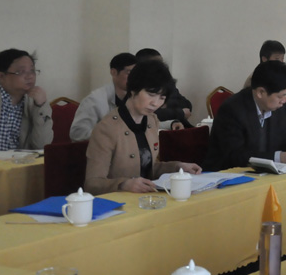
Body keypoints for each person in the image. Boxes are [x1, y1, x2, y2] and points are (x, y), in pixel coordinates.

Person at [84, 60, 201, 195]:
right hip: (119, 201)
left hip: (147, 198)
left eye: (162, 97)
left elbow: (147, 167)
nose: (155, 103)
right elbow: (92, 183)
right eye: (151, 94)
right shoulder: (107, 128)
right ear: (133, 90)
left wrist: (178, 167)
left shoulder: (151, 121)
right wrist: (124, 184)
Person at [204, 60, 286, 171]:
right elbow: (235, 155)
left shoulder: (277, 108)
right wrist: (277, 157)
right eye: (280, 96)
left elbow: (284, 138)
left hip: (262, 172)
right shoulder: (232, 110)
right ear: (260, 92)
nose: (284, 101)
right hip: (227, 173)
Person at [0, 49, 52, 152]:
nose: (30, 76)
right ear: (1, 76)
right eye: (21, 72)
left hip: (20, 161)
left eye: (32, 71)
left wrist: (40, 106)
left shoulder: (35, 101)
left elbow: (42, 146)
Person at [70, 52, 136, 142]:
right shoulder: (94, 100)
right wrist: (113, 134)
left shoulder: (136, 97)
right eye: (129, 73)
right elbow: (77, 134)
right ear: (113, 72)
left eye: (136, 74)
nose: (134, 78)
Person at [135, 48, 193, 130]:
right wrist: (179, 112)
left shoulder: (166, 82)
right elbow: (152, 114)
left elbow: (187, 104)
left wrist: (167, 106)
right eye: (157, 64)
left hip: (178, 126)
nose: (162, 67)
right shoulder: (138, 85)